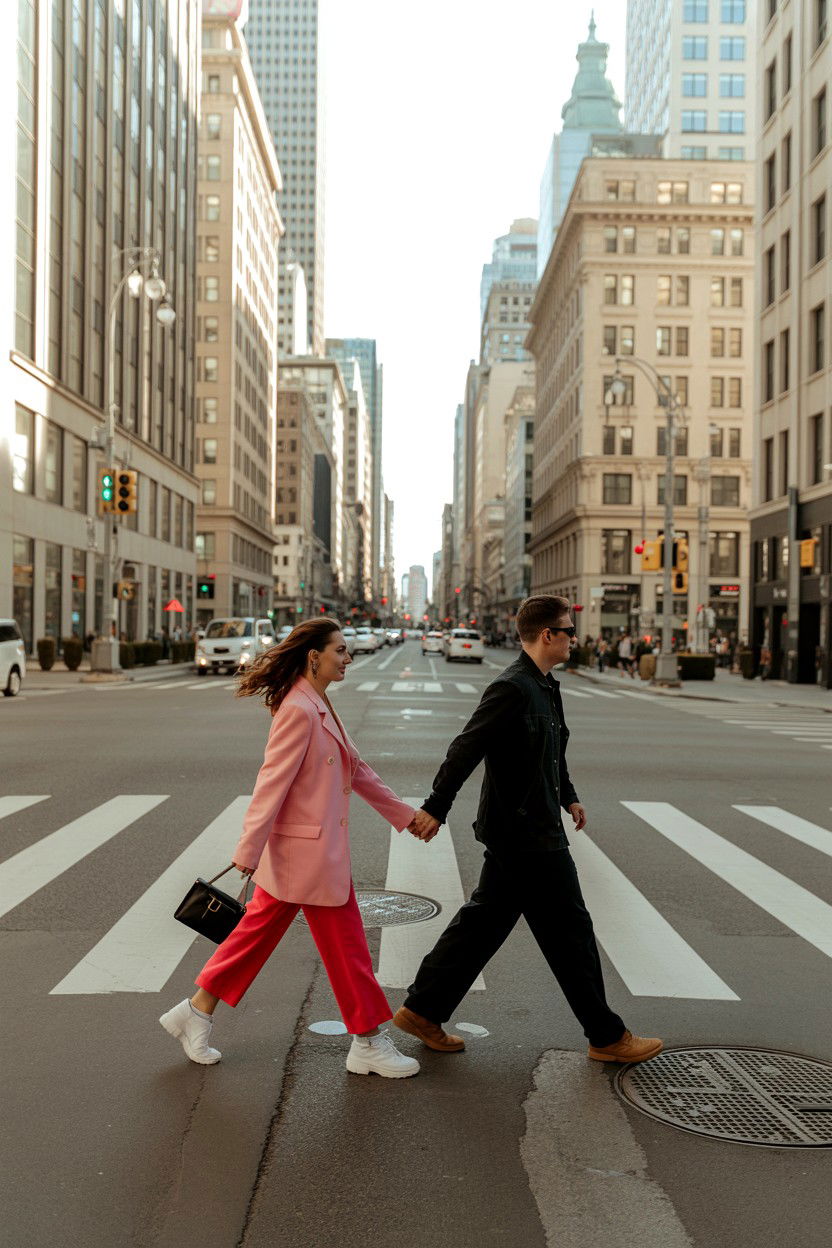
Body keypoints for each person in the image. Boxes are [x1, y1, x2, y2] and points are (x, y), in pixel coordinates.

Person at [394, 594, 661, 1066]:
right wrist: (436, 806)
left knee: (484, 924)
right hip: (524, 834)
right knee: (571, 931)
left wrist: (568, 795)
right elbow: (465, 747)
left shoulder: (544, 686)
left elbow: (551, 753)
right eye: (568, 630)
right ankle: (606, 1035)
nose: (575, 638)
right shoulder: (513, 688)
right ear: (546, 636)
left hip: (530, 827)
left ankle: (422, 1009)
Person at [160, 617, 422, 1078]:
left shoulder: (316, 701)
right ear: (313, 656)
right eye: (340, 650)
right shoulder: (299, 709)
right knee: (349, 948)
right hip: (305, 855)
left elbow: (355, 770)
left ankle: (195, 1012)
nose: (348, 657)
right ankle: (367, 1041)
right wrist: (247, 849)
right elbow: (270, 784)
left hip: (303, 854)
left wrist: (404, 816)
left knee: (252, 939)